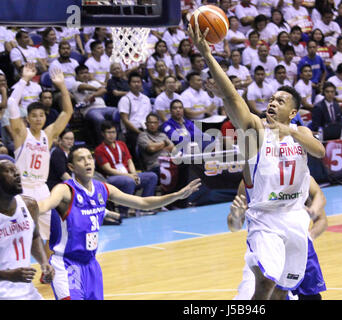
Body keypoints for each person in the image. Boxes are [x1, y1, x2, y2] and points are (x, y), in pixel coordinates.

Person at [189, 21, 325, 300]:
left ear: (293, 111)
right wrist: (207, 55)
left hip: (295, 220)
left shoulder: (301, 132)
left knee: (283, 292)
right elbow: (232, 97)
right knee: (265, 284)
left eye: (281, 100)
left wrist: (289, 131)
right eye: (271, 99)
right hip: (265, 219)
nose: (273, 102)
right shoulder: (256, 131)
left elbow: (320, 152)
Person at [37, 145, 201, 300]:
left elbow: (143, 203)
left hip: (91, 264)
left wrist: (176, 196)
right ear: (71, 167)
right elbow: (45, 205)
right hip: (67, 265)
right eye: (81, 159)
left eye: (89, 158)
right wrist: (23, 206)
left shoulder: (103, 189)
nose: (87, 162)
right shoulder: (65, 190)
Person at [7, 64, 73, 259]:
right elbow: (11, 103)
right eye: (33, 116)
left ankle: (46, 267)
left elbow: (67, 113)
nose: (38, 118)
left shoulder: (48, 134)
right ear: (27, 119)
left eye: (41, 115)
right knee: (21, 231)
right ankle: (15, 266)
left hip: (42, 188)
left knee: (49, 232)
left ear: (45, 117)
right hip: (23, 188)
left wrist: (62, 87)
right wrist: (24, 80)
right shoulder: (21, 133)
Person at [229, 175, 328, 300]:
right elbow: (234, 227)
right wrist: (236, 217)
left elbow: (322, 220)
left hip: (298, 246)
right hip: (266, 247)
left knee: (311, 297)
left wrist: (308, 237)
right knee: (264, 292)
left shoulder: (301, 175)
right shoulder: (249, 182)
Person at [0, 157, 55, 299]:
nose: (17, 174)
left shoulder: (29, 205)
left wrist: (44, 263)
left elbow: (34, 235)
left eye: (16, 170)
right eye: (9, 171)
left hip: (28, 291)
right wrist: (8, 275)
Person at [94, 121, 159, 219]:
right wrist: (129, 176)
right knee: (128, 181)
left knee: (152, 176)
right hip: (112, 178)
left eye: (113, 132)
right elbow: (107, 169)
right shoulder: (99, 150)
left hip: (128, 175)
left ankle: (143, 209)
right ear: (103, 134)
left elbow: (129, 161)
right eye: (109, 132)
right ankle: (123, 211)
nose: (112, 135)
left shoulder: (121, 144)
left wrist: (134, 174)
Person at [71, 64, 117, 145]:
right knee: (100, 120)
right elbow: (83, 86)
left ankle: (118, 142)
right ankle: (102, 144)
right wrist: (97, 89)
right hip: (90, 110)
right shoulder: (75, 84)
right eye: (82, 73)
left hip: (104, 107)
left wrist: (93, 95)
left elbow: (104, 90)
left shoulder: (94, 82)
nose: (85, 75)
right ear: (77, 76)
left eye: (86, 72)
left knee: (118, 112)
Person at [118, 71, 152, 160]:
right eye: (134, 82)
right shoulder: (125, 99)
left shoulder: (146, 99)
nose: (136, 84)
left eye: (139, 82)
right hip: (132, 131)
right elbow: (125, 120)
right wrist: (140, 133)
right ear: (129, 84)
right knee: (143, 142)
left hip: (147, 128)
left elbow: (150, 117)